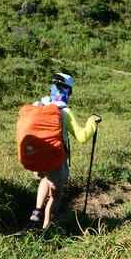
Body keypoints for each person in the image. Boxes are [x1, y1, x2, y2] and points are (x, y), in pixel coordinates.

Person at [26, 73, 101, 230]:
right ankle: (46, 227)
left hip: (37, 158)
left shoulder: (41, 105)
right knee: (56, 194)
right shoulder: (64, 111)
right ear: (68, 92)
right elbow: (82, 137)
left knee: (45, 180)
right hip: (56, 159)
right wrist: (92, 121)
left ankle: (36, 213)